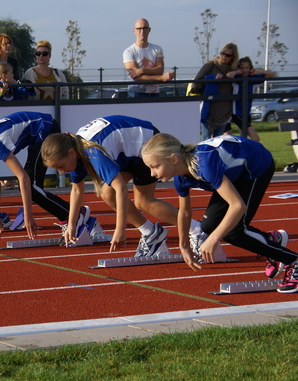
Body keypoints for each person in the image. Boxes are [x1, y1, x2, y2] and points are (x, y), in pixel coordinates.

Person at [141, 133, 298, 294]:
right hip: (233, 174)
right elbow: (185, 213)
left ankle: (293, 261)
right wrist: (184, 245)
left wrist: (214, 239)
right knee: (208, 226)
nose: (152, 173)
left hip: (256, 166)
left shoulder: (205, 165)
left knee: (233, 232)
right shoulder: (180, 177)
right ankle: (270, 241)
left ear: (173, 159)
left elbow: (238, 206)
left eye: (155, 166)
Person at [42, 115, 204, 255]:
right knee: (107, 193)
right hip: (127, 153)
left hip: (146, 145)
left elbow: (121, 188)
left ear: (70, 153)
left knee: (143, 201)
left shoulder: (93, 153)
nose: (61, 172)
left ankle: (197, 230)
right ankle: (150, 232)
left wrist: (120, 230)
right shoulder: (75, 149)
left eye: (60, 167)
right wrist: (72, 225)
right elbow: (77, 190)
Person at [0, 112, 73, 240]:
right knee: (33, 188)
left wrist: (28, 215)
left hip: (46, 128)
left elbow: (23, 178)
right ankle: (72, 214)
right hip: (36, 135)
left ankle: (70, 217)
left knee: (30, 186)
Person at [191, 42, 239, 140]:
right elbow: (196, 82)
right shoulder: (211, 65)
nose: (224, 57)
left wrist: (237, 71)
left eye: (228, 55)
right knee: (206, 139)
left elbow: (248, 72)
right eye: (222, 53)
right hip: (209, 108)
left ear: (233, 57)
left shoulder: (232, 69)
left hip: (225, 109)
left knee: (218, 140)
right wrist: (212, 79)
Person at [225, 57, 276, 142]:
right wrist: (238, 71)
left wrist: (259, 71)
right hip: (236, 112)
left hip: (247, 112)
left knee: (243, 138)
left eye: (247, 67)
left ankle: (242, 153)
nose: (245, 70)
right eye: (242, 68)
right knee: (255, 138)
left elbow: (272, 74)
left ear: (250, 68)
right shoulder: (237, 79)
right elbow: (229, 75)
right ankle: (242, 152)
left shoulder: (253, 79)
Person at [122, 18, 175, 97]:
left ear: (149, 30)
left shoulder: (157, 49)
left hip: (154, 93)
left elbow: (160, 70)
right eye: (139, 29)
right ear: (134, 31)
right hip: (136, 93)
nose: (142, 31)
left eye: (144, 28)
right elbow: (135, 77)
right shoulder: (129, 52)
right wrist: (160, 78)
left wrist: (141, 70)